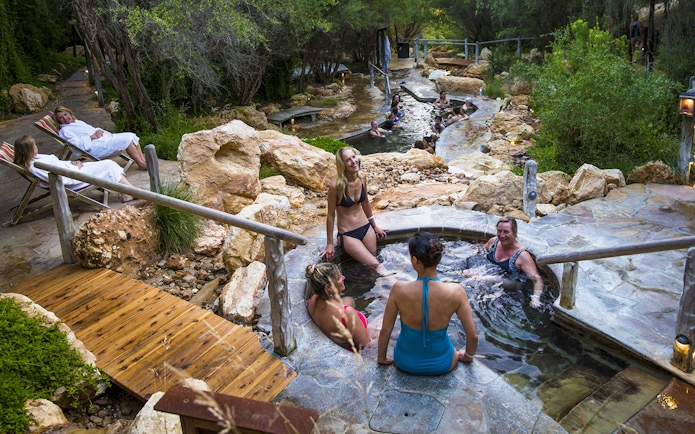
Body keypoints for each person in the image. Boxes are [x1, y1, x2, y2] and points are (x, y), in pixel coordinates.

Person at [378, 232, 478, 375]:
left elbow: (385, 330)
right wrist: (468, 356)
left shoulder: (399, 289)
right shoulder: (456, 291)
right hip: (443, 364)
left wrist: (381, 358)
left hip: (404, 362)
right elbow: (473, 335)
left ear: (414, 260)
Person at [322, 146, 391, 276]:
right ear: (342, 164)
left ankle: (376, 290)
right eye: (348, 160)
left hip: (365, 228)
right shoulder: (336, 186)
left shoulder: (362, 177)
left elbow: (365, 202)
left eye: (354, 157)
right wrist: (330, 243)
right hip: (348, 234)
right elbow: (330, 214)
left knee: (372, 266)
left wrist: (374, 226)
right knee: (376, 265)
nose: (353, 162)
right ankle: (394, 286)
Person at [13, 135, 135, 202]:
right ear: (28, 149)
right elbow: (60, 179)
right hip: (73, 179)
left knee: (108, 165)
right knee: (108, 165)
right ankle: (130, 192)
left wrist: (72, 163)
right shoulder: (35, 167)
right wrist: (76, 169)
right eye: (34, 145)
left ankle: (129, 192)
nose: (36, 146)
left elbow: (57, 165)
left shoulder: (36, 158)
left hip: (72, 170)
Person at [54, 106, 147, 170]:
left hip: (100, 139)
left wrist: (98, 130)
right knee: (127, 139)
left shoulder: (77, 122)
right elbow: (75, 145)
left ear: (69, 113)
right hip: (94, 148)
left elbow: (92, 129)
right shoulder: (64, 131)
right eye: (61, 118)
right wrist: (91, 137)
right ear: (59, 121)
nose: (65, 118)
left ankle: (142, 160)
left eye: (65, 114)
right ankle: (141, 164)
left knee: (131, 135)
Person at [306, 263, 371, 352]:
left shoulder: (312, 300)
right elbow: (367, 346)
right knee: (382, 319)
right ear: (328, 287)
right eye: (339, 277)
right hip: (351, 350)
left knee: (349, 300)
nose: (343, 277)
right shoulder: (347, 313)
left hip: (334, 335)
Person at [484, 216, 544, 308]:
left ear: (514, 232)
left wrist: (535, 299)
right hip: (492, 273)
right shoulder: (493, 242)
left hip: (513, 282)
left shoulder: (522, 255)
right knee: (469, 274)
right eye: (499, 231)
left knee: (486, 279)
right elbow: (481, 248)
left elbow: (537, 279)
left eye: (506, 232)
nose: (502, 235)